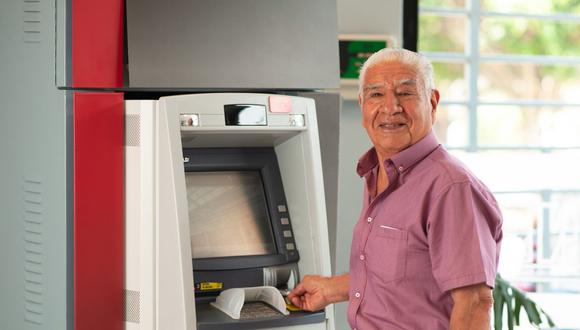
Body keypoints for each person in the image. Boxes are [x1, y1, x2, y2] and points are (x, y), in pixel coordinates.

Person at [287, 48, 503, 329]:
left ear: (432, 102)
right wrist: (332, 289)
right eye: (376, 94)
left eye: (405, 93)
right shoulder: (379, 173)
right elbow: (410, 276)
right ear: (363, 103)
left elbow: (475, 304)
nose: (390, 108)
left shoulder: (451, 188)